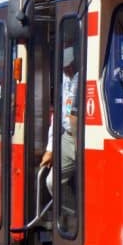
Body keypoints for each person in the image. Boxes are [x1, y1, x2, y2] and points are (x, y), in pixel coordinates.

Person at [40, 45, 79, 196]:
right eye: (64, 68)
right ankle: (69, 213)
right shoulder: (65, 79)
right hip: (68, 136)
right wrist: (50, 148)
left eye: (69, 67)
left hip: (83, 138)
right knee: (52, 182)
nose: (66, 71)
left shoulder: (83, 76)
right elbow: (60, 113)